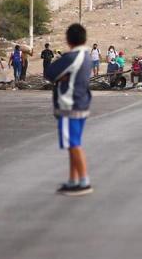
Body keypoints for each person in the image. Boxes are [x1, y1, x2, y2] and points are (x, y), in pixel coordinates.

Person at [45, 23, 93, 196]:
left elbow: (50, 73)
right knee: (74, 144)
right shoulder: (86, 55)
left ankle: (84, 181)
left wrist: (62, 77)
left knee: (73, 144)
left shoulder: (72, 56)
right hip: (81, 103)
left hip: (68, 105)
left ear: (68, 39)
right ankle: (73, 180)